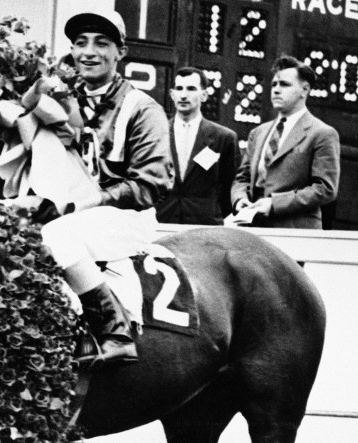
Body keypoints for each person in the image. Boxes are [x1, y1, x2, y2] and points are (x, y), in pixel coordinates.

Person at [38, 8, 171, 365]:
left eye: (102, 43)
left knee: (55, 237)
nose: (89, 52)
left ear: (120, 52)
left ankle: (116, 329)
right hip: (76, 214)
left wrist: (95, 199)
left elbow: (151, 184)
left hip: (127, 219)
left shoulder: (143, 108)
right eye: (80, 43)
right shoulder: (61, 101)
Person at [231, 55, 340, 229]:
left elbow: (325, 189)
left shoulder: (321, 133)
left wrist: (274, 204)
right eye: (274, 84)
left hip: (295, 230)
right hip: (252, 228)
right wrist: (240, 199)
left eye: (284, 85)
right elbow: (242, 179)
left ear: (305, 90)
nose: (276, 90)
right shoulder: (258, 133)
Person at [155, 67, 238, 225]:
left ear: (204, 95)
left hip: (204, 226)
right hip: (163, 222)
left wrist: (209, 212)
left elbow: (229, 189)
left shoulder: (224, 138)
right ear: (172, 95)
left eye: (191, 89)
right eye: (179, 89)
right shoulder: (157, 133)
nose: (184, 95)